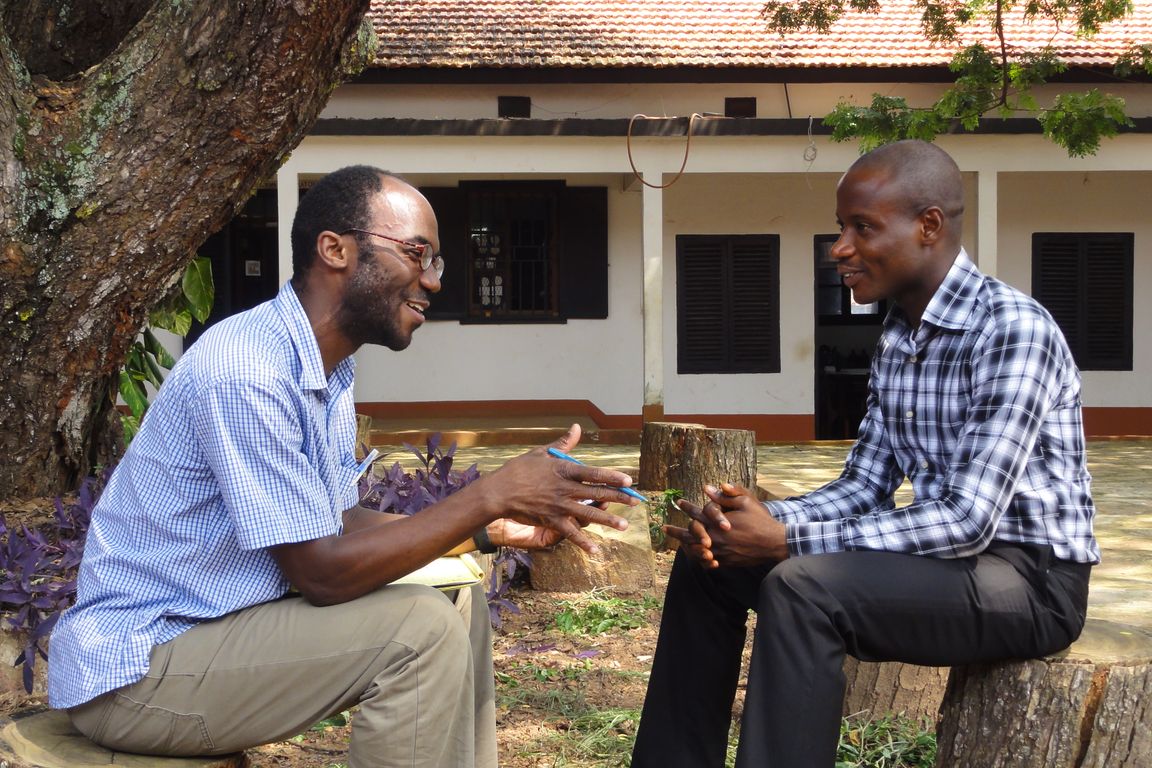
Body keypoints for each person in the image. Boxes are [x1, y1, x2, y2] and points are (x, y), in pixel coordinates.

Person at [47, 165, 638, 768]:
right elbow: (322, 574)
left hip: (214, 632)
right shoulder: (248, 371)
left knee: (459, 600)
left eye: (435, 262)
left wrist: (490, 527)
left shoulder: (326, 368)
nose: (433, 281)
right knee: (419, 629)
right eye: (417, 253)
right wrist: (491, 493)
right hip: (141, 668)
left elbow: (339, 524)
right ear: (335, 250)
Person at [630, 140, 1099, 768]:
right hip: (950, 566)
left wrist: (786, 542)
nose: (840, 248)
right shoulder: (899, 335)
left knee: (802, 587)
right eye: (840, 227)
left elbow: (968, 519)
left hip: (1031, 582)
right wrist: (754, 524)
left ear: (929, 225)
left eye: (862, 227)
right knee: (708, 565)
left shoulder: (1012, 328)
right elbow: (864, 486)